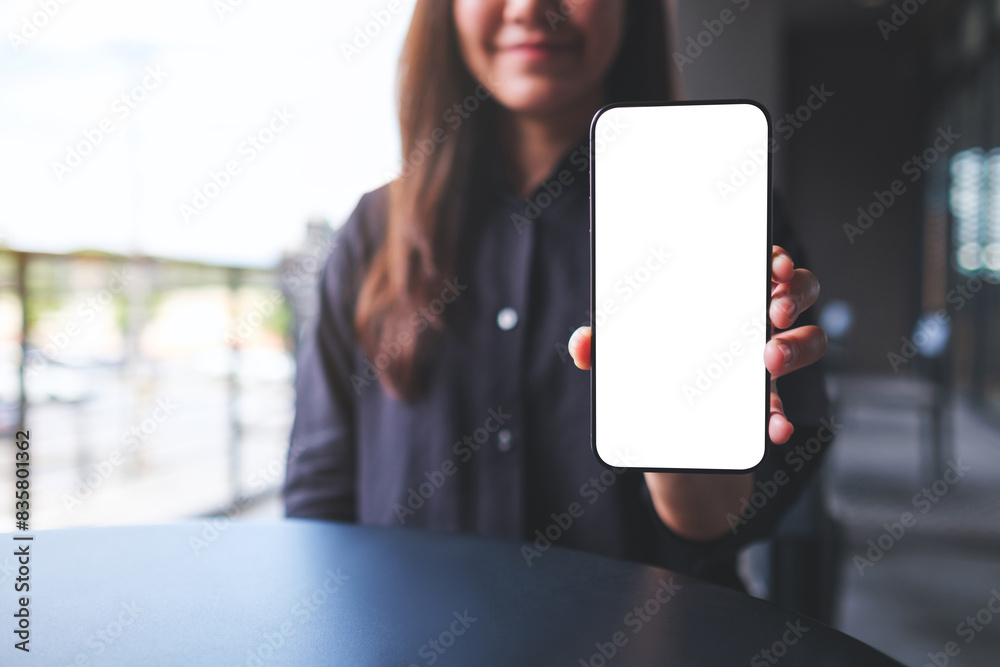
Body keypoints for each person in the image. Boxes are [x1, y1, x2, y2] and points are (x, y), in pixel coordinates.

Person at [283, 0, 830, 591]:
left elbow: (726, 519)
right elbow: (320, 489)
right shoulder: (374, 231)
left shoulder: (717, 212)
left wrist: (677, 433)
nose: (530, 8)